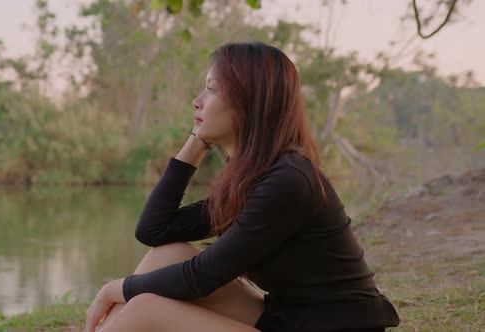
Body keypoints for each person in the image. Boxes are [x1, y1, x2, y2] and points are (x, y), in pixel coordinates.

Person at [84, 41, 400, 332]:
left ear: (248, 103)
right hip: (291, 317)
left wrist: (115, 288)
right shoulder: (255, 177)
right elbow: (154, 230)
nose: (197, 102)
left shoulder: (287, 181)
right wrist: (195, 144)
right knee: (170, 253)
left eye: (211, 90)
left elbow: (201, 277)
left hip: (335, 327)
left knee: (146, 309)